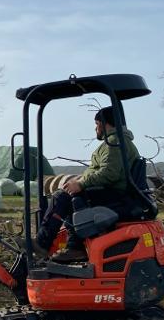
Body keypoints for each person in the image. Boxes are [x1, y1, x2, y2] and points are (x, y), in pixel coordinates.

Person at [36, 106, 140, 262]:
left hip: (116, 195)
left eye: (97, 124)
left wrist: (81, 184)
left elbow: (109, 173)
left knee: (61, 197)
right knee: (70, 197)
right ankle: (74, 246)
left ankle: (43, 244)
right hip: (115, 192)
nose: (95, 128)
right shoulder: (118, 141)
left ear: (104, 123)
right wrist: (79, 182)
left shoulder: (115, 142)